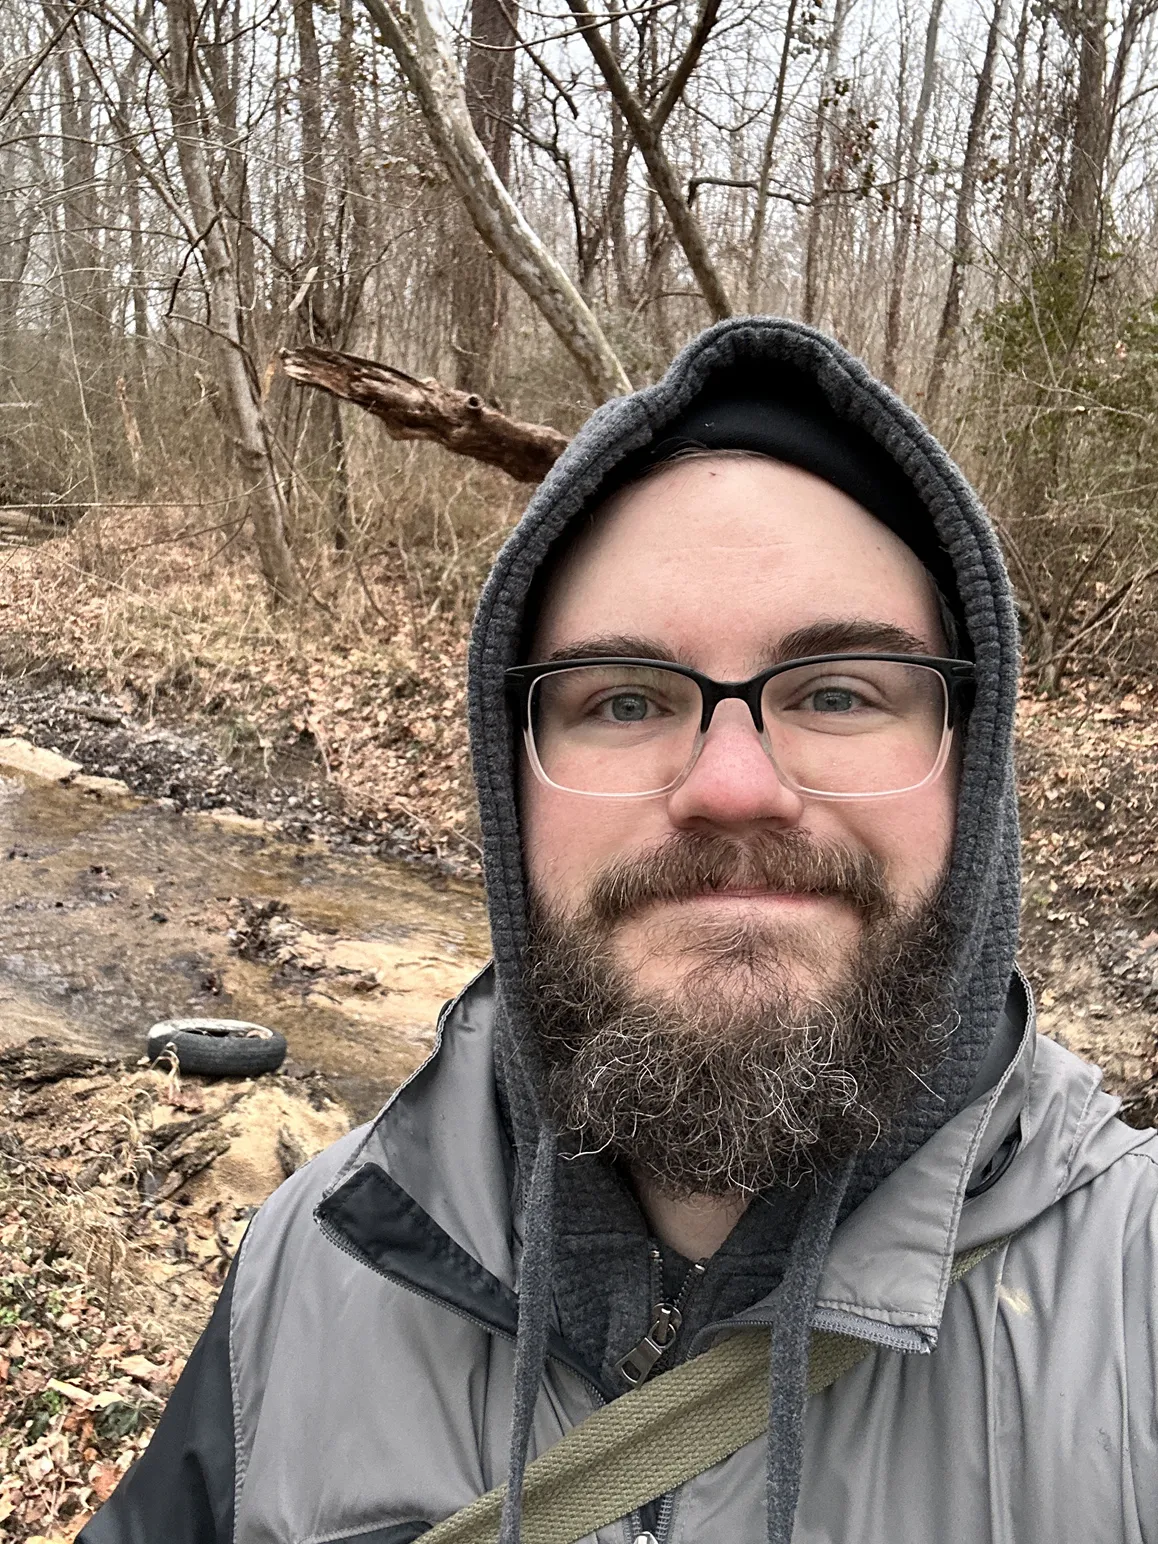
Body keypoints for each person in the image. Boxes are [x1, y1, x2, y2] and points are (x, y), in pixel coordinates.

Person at [82, 319, 1158, 1544]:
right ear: (513, 786)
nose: (734, 785)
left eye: (842, 690)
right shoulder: (313, 1266)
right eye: (629, 700)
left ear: (976, 771)